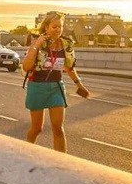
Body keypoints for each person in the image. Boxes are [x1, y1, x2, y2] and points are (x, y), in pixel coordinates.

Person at [21, 11, 90, 153]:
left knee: (58, 128)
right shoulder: (37, 42)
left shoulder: (65, 44)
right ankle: (25, 154)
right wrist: (36, 45)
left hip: (56, 87)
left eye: (60, 26)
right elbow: (26, 66)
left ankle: (61, 163)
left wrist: (79, 84)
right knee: (37, 128)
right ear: (46, 27)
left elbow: (69, 67)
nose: (58, 30)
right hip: (37, 86)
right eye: (54, 27)